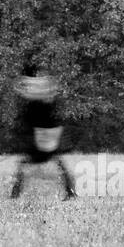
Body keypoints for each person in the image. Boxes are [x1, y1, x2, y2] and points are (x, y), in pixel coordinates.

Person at [10, 63, 75, 200]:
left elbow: (26, 115)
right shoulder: (46, 97)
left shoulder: (34, 101)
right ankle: (69, 191)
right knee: (56, 160)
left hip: (41, 137)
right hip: (50, 134)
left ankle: (16, 193)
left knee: (25, 163)